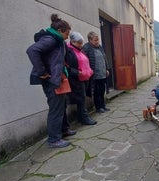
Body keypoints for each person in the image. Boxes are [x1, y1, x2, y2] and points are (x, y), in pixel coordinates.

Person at [26, 14, 76, 148]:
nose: (67, 36)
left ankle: (64, 130)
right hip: (52, 81)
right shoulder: (51, 39)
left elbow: (53, 58)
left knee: (62, 105)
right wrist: (42, 72)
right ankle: (54, 139)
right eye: (67, 33)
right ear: (60, 31)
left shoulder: (56, 39)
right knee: (56, 109)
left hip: (58, 78)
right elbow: (32, 50)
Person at [66, 32, 97, 125]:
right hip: (77, 79)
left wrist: (90, 70)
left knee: (82, 99)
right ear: (72, 41)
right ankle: (84, 118)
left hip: (85, 78)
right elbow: (68, 67)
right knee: (81, 99)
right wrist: (78, 72)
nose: (80, 45)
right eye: (78, 43)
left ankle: (82, 117)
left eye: (81, 43)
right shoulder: (69, 51)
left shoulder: (80, 50)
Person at [83, 31, 110, 113]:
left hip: (102, 73)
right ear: (90, 40)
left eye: (98, 40)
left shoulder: (100, 47)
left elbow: (104, 58)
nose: (97, 41)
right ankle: (98, 107)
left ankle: (103, 105)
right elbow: (85, 62)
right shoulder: (86, 48)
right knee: (97, 92)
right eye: (95, 40)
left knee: (102, 90)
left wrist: (107, 69)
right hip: (94, 75)